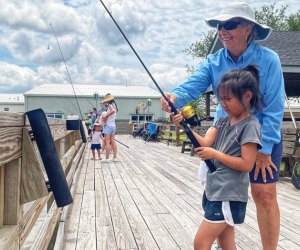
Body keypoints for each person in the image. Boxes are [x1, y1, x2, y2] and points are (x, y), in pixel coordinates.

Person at [161, 3, 285, 249]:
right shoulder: (213, 61)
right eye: (219, 26)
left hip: (262, 138)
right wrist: (174, 97)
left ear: (248, 28)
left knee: (265, 195)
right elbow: (191, 86)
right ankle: (225, 244)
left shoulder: (270, 60)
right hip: (226, 135)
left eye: (229, 25)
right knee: (222, 191)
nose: (222, 31)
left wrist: (265, 149)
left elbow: (274, 107)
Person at [173, 65, 262, 249]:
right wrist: (185, 127)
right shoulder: (222, 121)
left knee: (201, 242)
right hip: (215, 189)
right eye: (221, 99)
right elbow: (205, 143)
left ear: (247, 96)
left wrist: (215, 154)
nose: (224, 104)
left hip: (228, 193)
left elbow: (247, 164)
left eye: (228, 99)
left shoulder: (250, 125)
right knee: (225, 243)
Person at [101, 93, 118, 162]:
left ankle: (107, 158)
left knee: (107, 142)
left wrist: (106, 115)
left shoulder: (110, 105)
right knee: (113, 141)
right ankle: (115, 157)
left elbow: (112, 111)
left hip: (108, 126)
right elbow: (114, 111)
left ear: (108, 100)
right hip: (113, 125)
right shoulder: (115, 105)